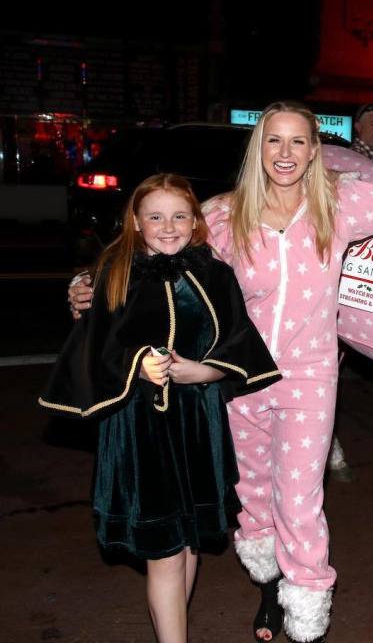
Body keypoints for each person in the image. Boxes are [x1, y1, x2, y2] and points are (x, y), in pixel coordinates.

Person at [69, 101, 373, 643]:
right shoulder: (225, 215)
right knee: (253, 495)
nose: (286, 153)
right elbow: (158, 246)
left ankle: (308, 612)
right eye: (275, 141)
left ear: (315, 151)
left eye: (298, 141)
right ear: (259, 149)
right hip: (240, 379)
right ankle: (272, 587)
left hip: (309, 380)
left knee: (299, 501)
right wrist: (89, 284)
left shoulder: (339, 206)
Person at [40, 174, 282, 643]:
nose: (167, 226)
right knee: (166, 552)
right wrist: (137, 367)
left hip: (199, 424)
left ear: (195, 221)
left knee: (189, 543)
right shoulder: (113, 273)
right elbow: (92, 351)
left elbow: (239, 344)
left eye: (178, 216)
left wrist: (203, 372)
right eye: (154, 216)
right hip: (140, 430)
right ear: (135, 221)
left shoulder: (214, 272)